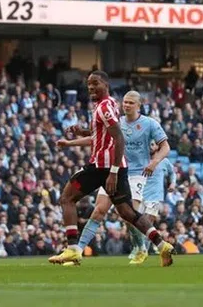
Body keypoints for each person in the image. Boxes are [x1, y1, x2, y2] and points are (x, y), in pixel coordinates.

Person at [47, 72, 175, 267]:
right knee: (126, 212)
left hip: (107, 167)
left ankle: (73, 249)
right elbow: (100, 134)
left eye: (95, 84)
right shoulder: (109, 107)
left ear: (105, 84)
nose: (90, 87)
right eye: (88, 84)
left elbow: (119, 139)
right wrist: (75, 138)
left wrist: (116, 170)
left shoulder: (114, 110)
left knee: (67, 198)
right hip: (117, 167)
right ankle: (162, 244)